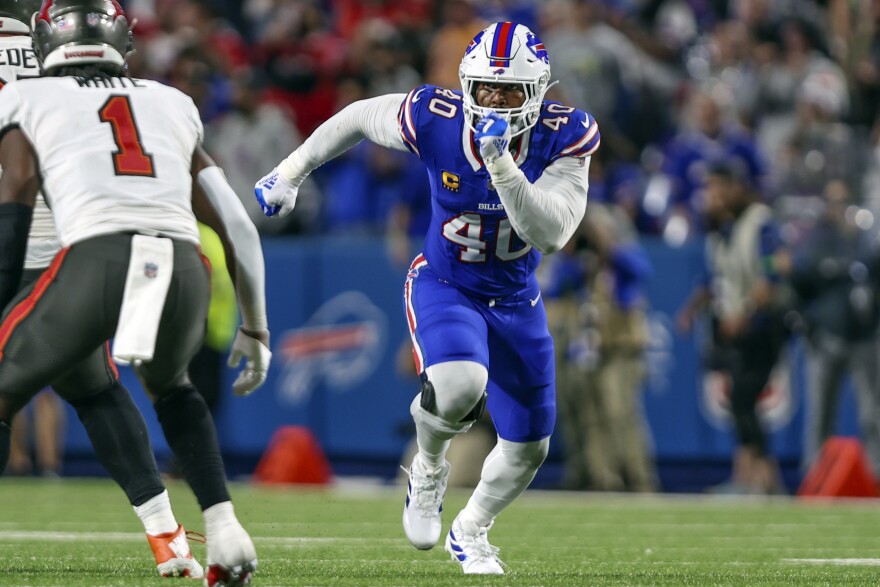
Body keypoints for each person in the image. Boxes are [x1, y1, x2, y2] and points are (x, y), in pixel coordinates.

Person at [256, 21, 599, 574]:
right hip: (447, 282)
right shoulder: (434, 117)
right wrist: (292, 171)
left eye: (508, 90)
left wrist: (502, 166)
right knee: (461, 383)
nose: (493, 100)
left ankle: (472, 530)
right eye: (484, 87)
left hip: (516, 296)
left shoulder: (567, 134)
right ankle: (429, 466)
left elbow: (551, 233)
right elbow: (358, 117)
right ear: (466, 84)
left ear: (536, 94)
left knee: (530, 446)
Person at [0, 2, 272, 585]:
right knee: (157, 388)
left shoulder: (28, 97)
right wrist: (257, 327)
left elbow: (17, 185)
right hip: (173, 262)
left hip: (82, 256)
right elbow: (239, 226)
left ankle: (172, 535)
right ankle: (209, 531)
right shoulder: (169, 100)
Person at [677, 162, 787, 495]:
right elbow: (716, 277)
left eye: (717, 188)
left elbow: (775, 267)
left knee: (743, 396)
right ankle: (756, 477)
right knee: (741, 400)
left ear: (736, 188)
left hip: (763, 326)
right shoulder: (723, 229)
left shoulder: (760, 223)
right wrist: (692, 309)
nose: (712, 196)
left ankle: (761, 478)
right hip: (738, 328)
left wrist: (748, 311)